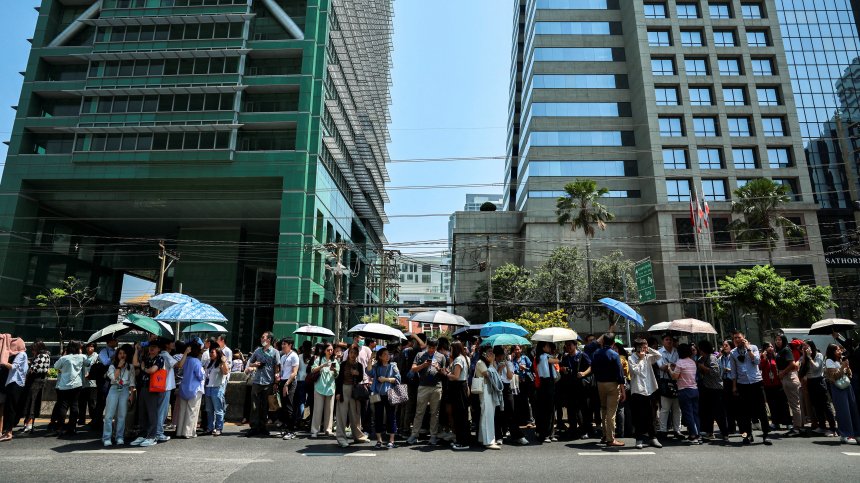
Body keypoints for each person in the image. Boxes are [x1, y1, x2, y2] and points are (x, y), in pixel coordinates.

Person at [729, 330, 772, 445]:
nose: (737, 340)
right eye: (735, 338)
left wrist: (748, 348)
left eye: (739, 337)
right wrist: (734, 386)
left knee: (761, 410)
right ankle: (748, 434)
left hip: (755, 382)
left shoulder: (753, 347)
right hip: (742, 383)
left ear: (744, 338)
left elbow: (757, 361)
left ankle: (766, 435)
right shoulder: (733, 353)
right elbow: (733, 371)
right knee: (745, 411)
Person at [406, 337, 446, 445]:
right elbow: (413, 369)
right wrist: (423, 365)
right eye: (429, 347)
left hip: (437, 387)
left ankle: (433, 435)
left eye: (433, 347)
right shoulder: (420, 355)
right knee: (419, 411)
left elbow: (445, 373)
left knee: (435, 413)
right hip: (423, 386)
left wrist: (438, 368)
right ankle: (414, 434)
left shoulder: (441, 357)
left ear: (437, 347)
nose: (431, 350)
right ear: (427, 346)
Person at [48, 340, 92, 437]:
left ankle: (60, 427)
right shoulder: (82, 357)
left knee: (63, 406)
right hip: (77, 384)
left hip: (64, 385)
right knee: (74, 405)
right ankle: (72, 427)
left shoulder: (64, 358)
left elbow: (55, 367)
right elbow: (88, 363)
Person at [588, 332, 626, 447]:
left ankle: (605, 435)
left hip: (600, 384)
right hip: (612, 384)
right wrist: (623, 390)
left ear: (603, 341)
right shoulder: (614, 355)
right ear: (614, 342)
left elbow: (593, 369)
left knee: (604, 409)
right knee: (611, 412)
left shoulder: (596, 353)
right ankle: (610, 439)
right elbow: (620, 374)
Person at [244, 331, 281, 437]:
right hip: (257, 381)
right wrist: (255, 364)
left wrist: (275, 382)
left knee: (265, 406)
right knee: (254, 406)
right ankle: (254, 427)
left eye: (263, 337)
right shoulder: (257, 351)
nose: (261, 339)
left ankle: (262, 426)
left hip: (268, 382)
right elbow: (250, 363)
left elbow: (277, 368)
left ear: (269, 339)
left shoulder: (275, 352)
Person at [131, 339, 166, 447]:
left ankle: (152, 436)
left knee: (152, 413)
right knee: (143, 412)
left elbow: (152, 370)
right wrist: (137, 350)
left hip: (153, 388)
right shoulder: (145, 359)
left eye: (154, 347)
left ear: (159, 349)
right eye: (151, 346)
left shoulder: (160, 358)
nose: (151, 348)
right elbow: (134, 363)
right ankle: (142, 434)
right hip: (143, 387)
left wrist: (143, 368)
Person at [628, 339, 662, 450]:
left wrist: (648, 349)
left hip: (649, 389)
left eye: (645, 348)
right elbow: (636, 371)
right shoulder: (631, 358)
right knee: (638, 416)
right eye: (641, 348)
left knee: (649, 415)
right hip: (638, 390)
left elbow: (659, 355)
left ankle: (653, 438)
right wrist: (642, 359)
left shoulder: (648, 356)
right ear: (636, 348)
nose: (644, 350)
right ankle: (639, 439)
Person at [825, 343, 860, 444]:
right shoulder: (829, 361)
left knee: (853, 410)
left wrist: (847, 368)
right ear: (832, 352)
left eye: (840, 350)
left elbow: (850, 375)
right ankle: (846, 434)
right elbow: (833, 377)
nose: (840, 352)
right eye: (837, 350)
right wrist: (842, 368)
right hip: (838, 387)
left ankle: (856, 433)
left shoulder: (841, 360)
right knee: (844, 411)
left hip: (847, 386)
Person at [799, 340, 836, 436]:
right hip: (810, 381)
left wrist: (809, 357)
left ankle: (833, 428)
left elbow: (816, 367)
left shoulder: (818, 355)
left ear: (811, 346)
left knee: (825, 405)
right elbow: (802, 365)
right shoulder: (805, 356)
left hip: (819, 381)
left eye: (805, 346)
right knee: (816, 405)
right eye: (803, 346)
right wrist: (804, 354)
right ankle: (822, 426)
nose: (804, 348)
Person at [366, 346, 401, 448]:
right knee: (378, 417)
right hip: (378, 394)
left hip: (390, 394)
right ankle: (379, 439)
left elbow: (398, 379)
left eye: (388, 354)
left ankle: (391, 440)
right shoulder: (377, 366)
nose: (387, 356)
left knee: (391, 416)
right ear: (380, 357)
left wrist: (386, 379)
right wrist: (371, 358)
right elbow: (368, 372)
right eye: (384, 354)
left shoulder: (393, 365)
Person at [493, 345, 528, 445]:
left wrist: (507, 364)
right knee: (498, 413)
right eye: (498, 356)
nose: (500, 358)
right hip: (497, 389)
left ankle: (517, 435)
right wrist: (498, 369)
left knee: (511, 412)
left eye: (501, 355)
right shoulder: (493, 364)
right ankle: (499, 436)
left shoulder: (509, 363)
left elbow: (509, 377)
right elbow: (493, 378)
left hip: (507, 388)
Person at [102, 344, 135, 446]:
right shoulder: (112, 367)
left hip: (125, 390)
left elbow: (132, 382)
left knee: (122, 415)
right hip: (114, 389)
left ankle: (119, 436)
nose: (122, 355)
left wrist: (131, 395)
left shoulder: (130, 367)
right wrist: (119, 367)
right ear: (117, 355)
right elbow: (114, 378)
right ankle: (106, 437)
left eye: (124, 353)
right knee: (109, 415)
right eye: (120, 353)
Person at [695, 340, 728, 441]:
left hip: (715, 389)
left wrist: (703, 367)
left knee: (719, 412)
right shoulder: (703, 358)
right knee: (708, 412)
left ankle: (725, 434)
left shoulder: (711, 358)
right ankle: (710, 432)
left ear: (702, 349)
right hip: (707, 388)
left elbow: (715, 372)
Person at [442, 340, 472, 450]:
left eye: (452, 348)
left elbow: (456, 376)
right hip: (462, 386)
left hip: (458, 387)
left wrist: (446, 373)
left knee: (459, 416)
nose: (451, 350)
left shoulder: (459, 359)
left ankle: (462, 442)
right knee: (462, 415)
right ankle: (464, 440)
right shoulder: (464, 357)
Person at [670, 344, 700, 444]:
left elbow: (675, 376)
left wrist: (669, 368)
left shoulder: (680, 362)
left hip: (684, 390)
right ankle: (697, 434)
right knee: (695, 413)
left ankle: (693, 436)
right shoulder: (692, 362)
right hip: (694, 389)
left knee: (688, 414)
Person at [774, 334, 803, 436]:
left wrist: (782, 373)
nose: (777, 342)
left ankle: (796, 429)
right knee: (793, 404)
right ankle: (798, 426)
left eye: (779, 340)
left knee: (795, 404)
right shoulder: (781, 351)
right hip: (785, 377)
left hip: (789, 377)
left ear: (784, 341)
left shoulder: (786, 350)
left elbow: (792, 365)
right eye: (776, 340)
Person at [396, 333, 424, 439]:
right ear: (408, 342)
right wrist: (416, 336)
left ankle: (402, 429)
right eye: (411, 341)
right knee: (409, 406)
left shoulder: (400, 352)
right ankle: (406, 430)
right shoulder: (410, 350)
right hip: (409, 382)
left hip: (402, 381)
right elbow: (423, 346)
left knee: (403, 406)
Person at [175, 341, 205, 439]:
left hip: (184, 387)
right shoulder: (196, 361)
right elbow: (200, 376)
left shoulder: (185, 359)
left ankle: (179, 431)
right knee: (192, 411)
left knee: (182, 411)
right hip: (194, 389)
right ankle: (188, 432)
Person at [473, 347, 501, 450]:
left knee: (488, 414)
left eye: (492, 351)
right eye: (489, 351)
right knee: (487, 415)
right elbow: (489, 374)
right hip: (484, 389)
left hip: (489, 389)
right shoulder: (481, 362)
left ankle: (483, 439)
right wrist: (492, 362)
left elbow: (495, 374)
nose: (491, 354)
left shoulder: (487, 363)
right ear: (483, 353)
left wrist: (492, 363)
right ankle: (489, 441)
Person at [0, 338, 27, 442]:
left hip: (16, 383)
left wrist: (3, 361)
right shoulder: (20, 355)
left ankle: (8, 433)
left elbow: (13, 367)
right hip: (14, 383)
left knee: (10, 408)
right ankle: (7, 432)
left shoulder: (21, 354)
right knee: (9, 408)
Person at [21, 340, 50, 434]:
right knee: (32, 402)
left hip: (35, 381)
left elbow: (36, 369)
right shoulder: (46, 355)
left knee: (31, 402)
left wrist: (29, 364)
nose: (33, 351)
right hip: (39, 381)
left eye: (33, 349)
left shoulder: (42, 356)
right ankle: (28, 424)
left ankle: (29, 426)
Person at [759, 342, 790, 430]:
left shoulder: (777, 356)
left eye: (771, 346)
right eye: (768, 347)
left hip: (778, 383)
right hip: (768, 384)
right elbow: (759, 367)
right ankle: (775, 422)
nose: (770, 348)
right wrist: (764, 359)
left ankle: (787, 422)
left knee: (783, 403)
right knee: (772, 404)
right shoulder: (762, 357)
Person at [309, 343, 338, 437]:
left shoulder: (335, 360)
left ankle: (328, 429)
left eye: (331, 350)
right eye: (328, 350)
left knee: (329, 410)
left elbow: (337, 375)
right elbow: (312, 370)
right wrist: (322, 365)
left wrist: (335, 371)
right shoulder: (319, 359)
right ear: (324, 350)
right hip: (319, 387)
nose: (330, 352)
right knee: (318, 410)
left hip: (330, 387)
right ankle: (315, 430)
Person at [657, 333, 682, 439]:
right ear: (662, 341)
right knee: (665, 408)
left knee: (677, 408)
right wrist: (670, 365)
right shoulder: (659, 353)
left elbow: (680, 366)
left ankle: (677, 430)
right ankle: (663, 430)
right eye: (666, 339)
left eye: (670, 339)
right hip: (665, 382)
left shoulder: (677, 352)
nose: (669, 341)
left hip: (677, 381)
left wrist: (672, 365)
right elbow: (661, 367)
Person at [534, 341, 559, 443]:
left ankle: (547, 434)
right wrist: (555, 355)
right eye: (547, 345)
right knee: (547, 410)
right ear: (543, 347)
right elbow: (557, 360)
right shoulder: (545, 357)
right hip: (547, 384)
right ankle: (546, 434)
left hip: (545, 384)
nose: (549, 347)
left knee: (547, 410)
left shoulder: (540, 357)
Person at [204, 346, 229, 436]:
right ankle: (210, 428)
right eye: (210, 352)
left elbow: (226, 372)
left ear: (218, 353)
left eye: (213, 352)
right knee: (209, 410)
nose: (211, 354)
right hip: (208, 387)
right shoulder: (208, 362)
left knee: (218, 410)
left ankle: (218, 428)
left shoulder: (221, 363)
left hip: (217, 387)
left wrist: (224, 361)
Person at [278, 337, 300, 440]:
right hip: (283, 381)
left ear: (290, 345)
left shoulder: (294, 356)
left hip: (290, 382)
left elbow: (294, 372)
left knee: (289, 406)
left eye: (284, 344)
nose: (282, 346)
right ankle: (285, 429)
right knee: (284, 406)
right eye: (282, 344)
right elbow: (282, 370)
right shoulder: (283, 357)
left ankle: (291, 431)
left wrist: (287, 384)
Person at [511, 344, 535, 428]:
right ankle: (520, 419)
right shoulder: (512, 360)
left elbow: (532, 368)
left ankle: (530, 420)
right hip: (516, 382)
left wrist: (525, 368)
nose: (517, 351)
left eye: (518, 349)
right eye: (515, 350)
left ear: (521, 349)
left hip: (525, 382)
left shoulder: (525, 358)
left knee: (526, 400)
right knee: (517, 401)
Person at [77, 342, 99, 427]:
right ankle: (81, 419)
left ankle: (94, 420)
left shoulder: (97, 356)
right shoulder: (83, 356)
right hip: (82, 383)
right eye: (88, 346)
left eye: (92, 346)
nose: (89, 348)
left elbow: (96, 367)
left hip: (92, 383)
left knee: (92, 402)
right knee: (81, 403)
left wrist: (90, 375)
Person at [718, 340, 737, 434]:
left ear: (731, 347)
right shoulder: (721, 358)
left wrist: (727, 370)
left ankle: (742, 427)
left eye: (727, 345)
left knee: (735, 406)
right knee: (727, 407)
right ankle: (731, 427)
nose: (724, 347)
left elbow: (735, 370)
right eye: (723, 345)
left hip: (732, 381)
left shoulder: (733, 356)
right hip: (724, 382)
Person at [294, 341, 313, 429]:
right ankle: (311, 419)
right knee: (310, 400)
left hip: (300, 380)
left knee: (301, 400)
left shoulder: (299, 356)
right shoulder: (312, 357)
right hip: (309, 380)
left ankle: (300, 418)